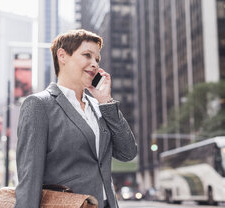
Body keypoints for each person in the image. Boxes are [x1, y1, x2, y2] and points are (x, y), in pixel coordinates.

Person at [15, 29, 137, 208]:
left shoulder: (99, 107)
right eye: (87, 55)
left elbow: (128, 153)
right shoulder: (39, 105)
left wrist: (106, 102)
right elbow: (29, 178)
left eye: (97, 59)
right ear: (62, 56)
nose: (94, 64)